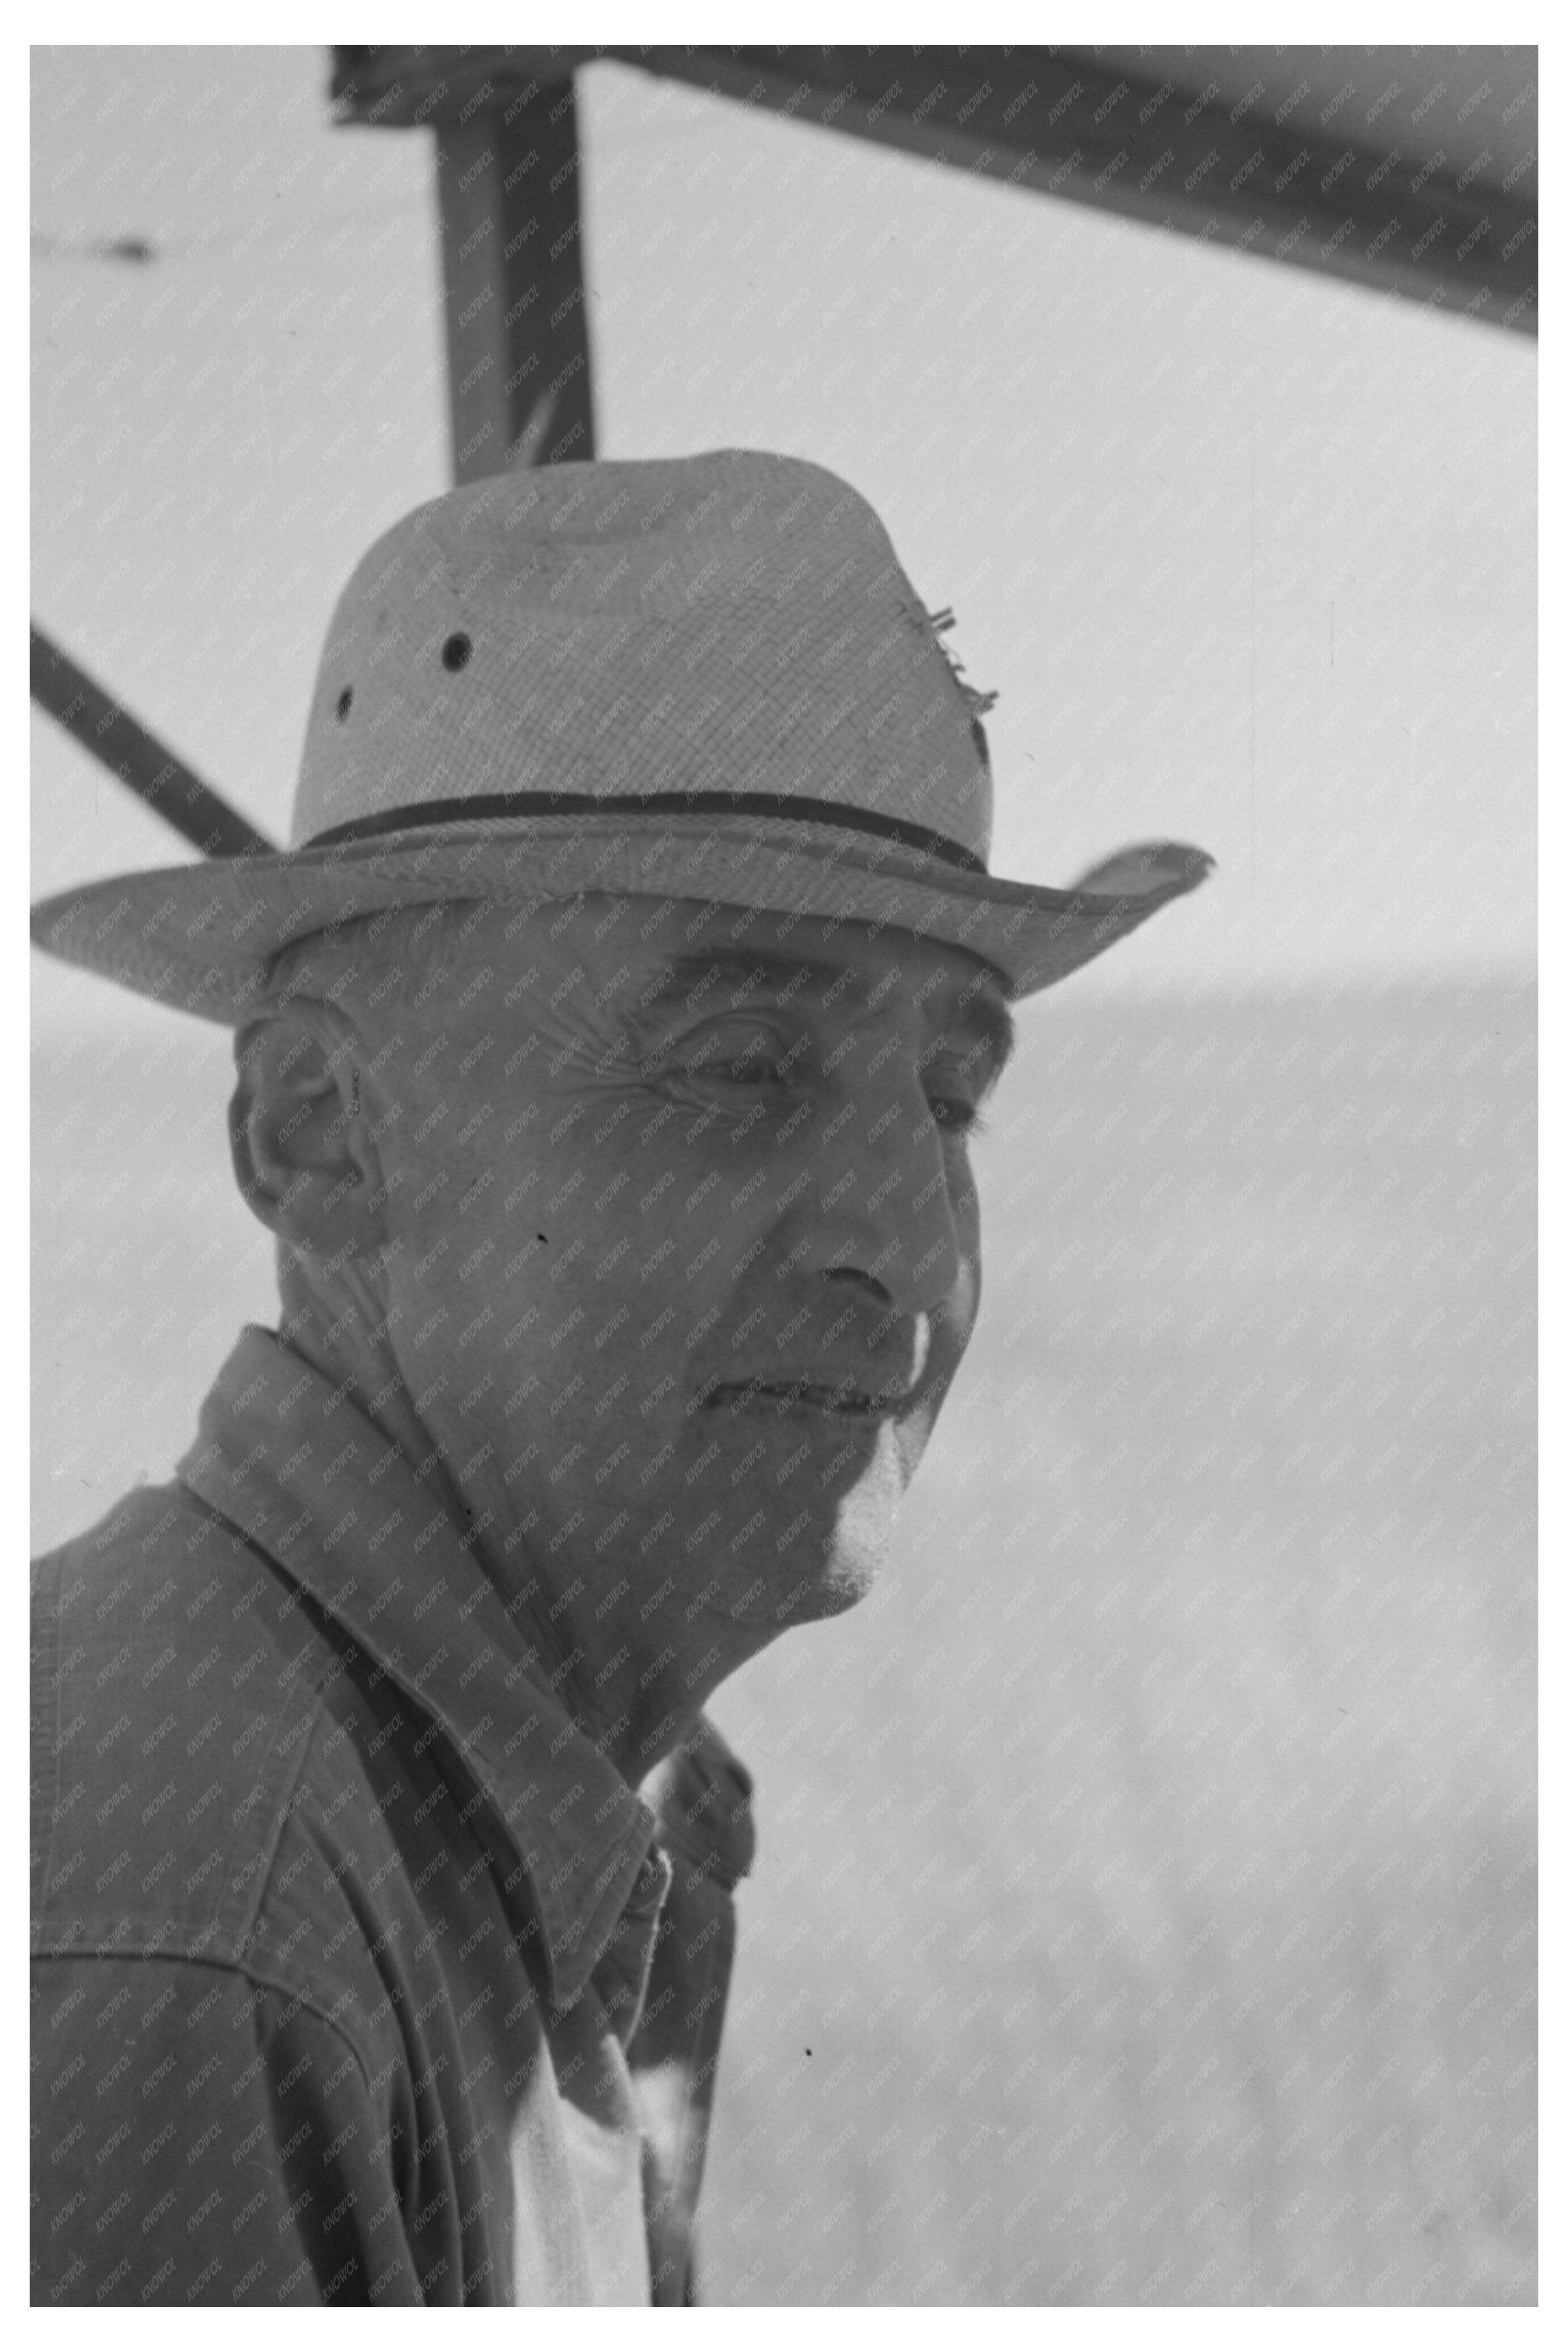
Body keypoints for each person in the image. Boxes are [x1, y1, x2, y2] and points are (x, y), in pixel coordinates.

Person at [29, 449, 1210, 2306]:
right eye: (740, 1064)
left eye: (949, 1091)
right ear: (321, 1132)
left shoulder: (507, 1810)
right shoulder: (196, 1927)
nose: (911, 1241)